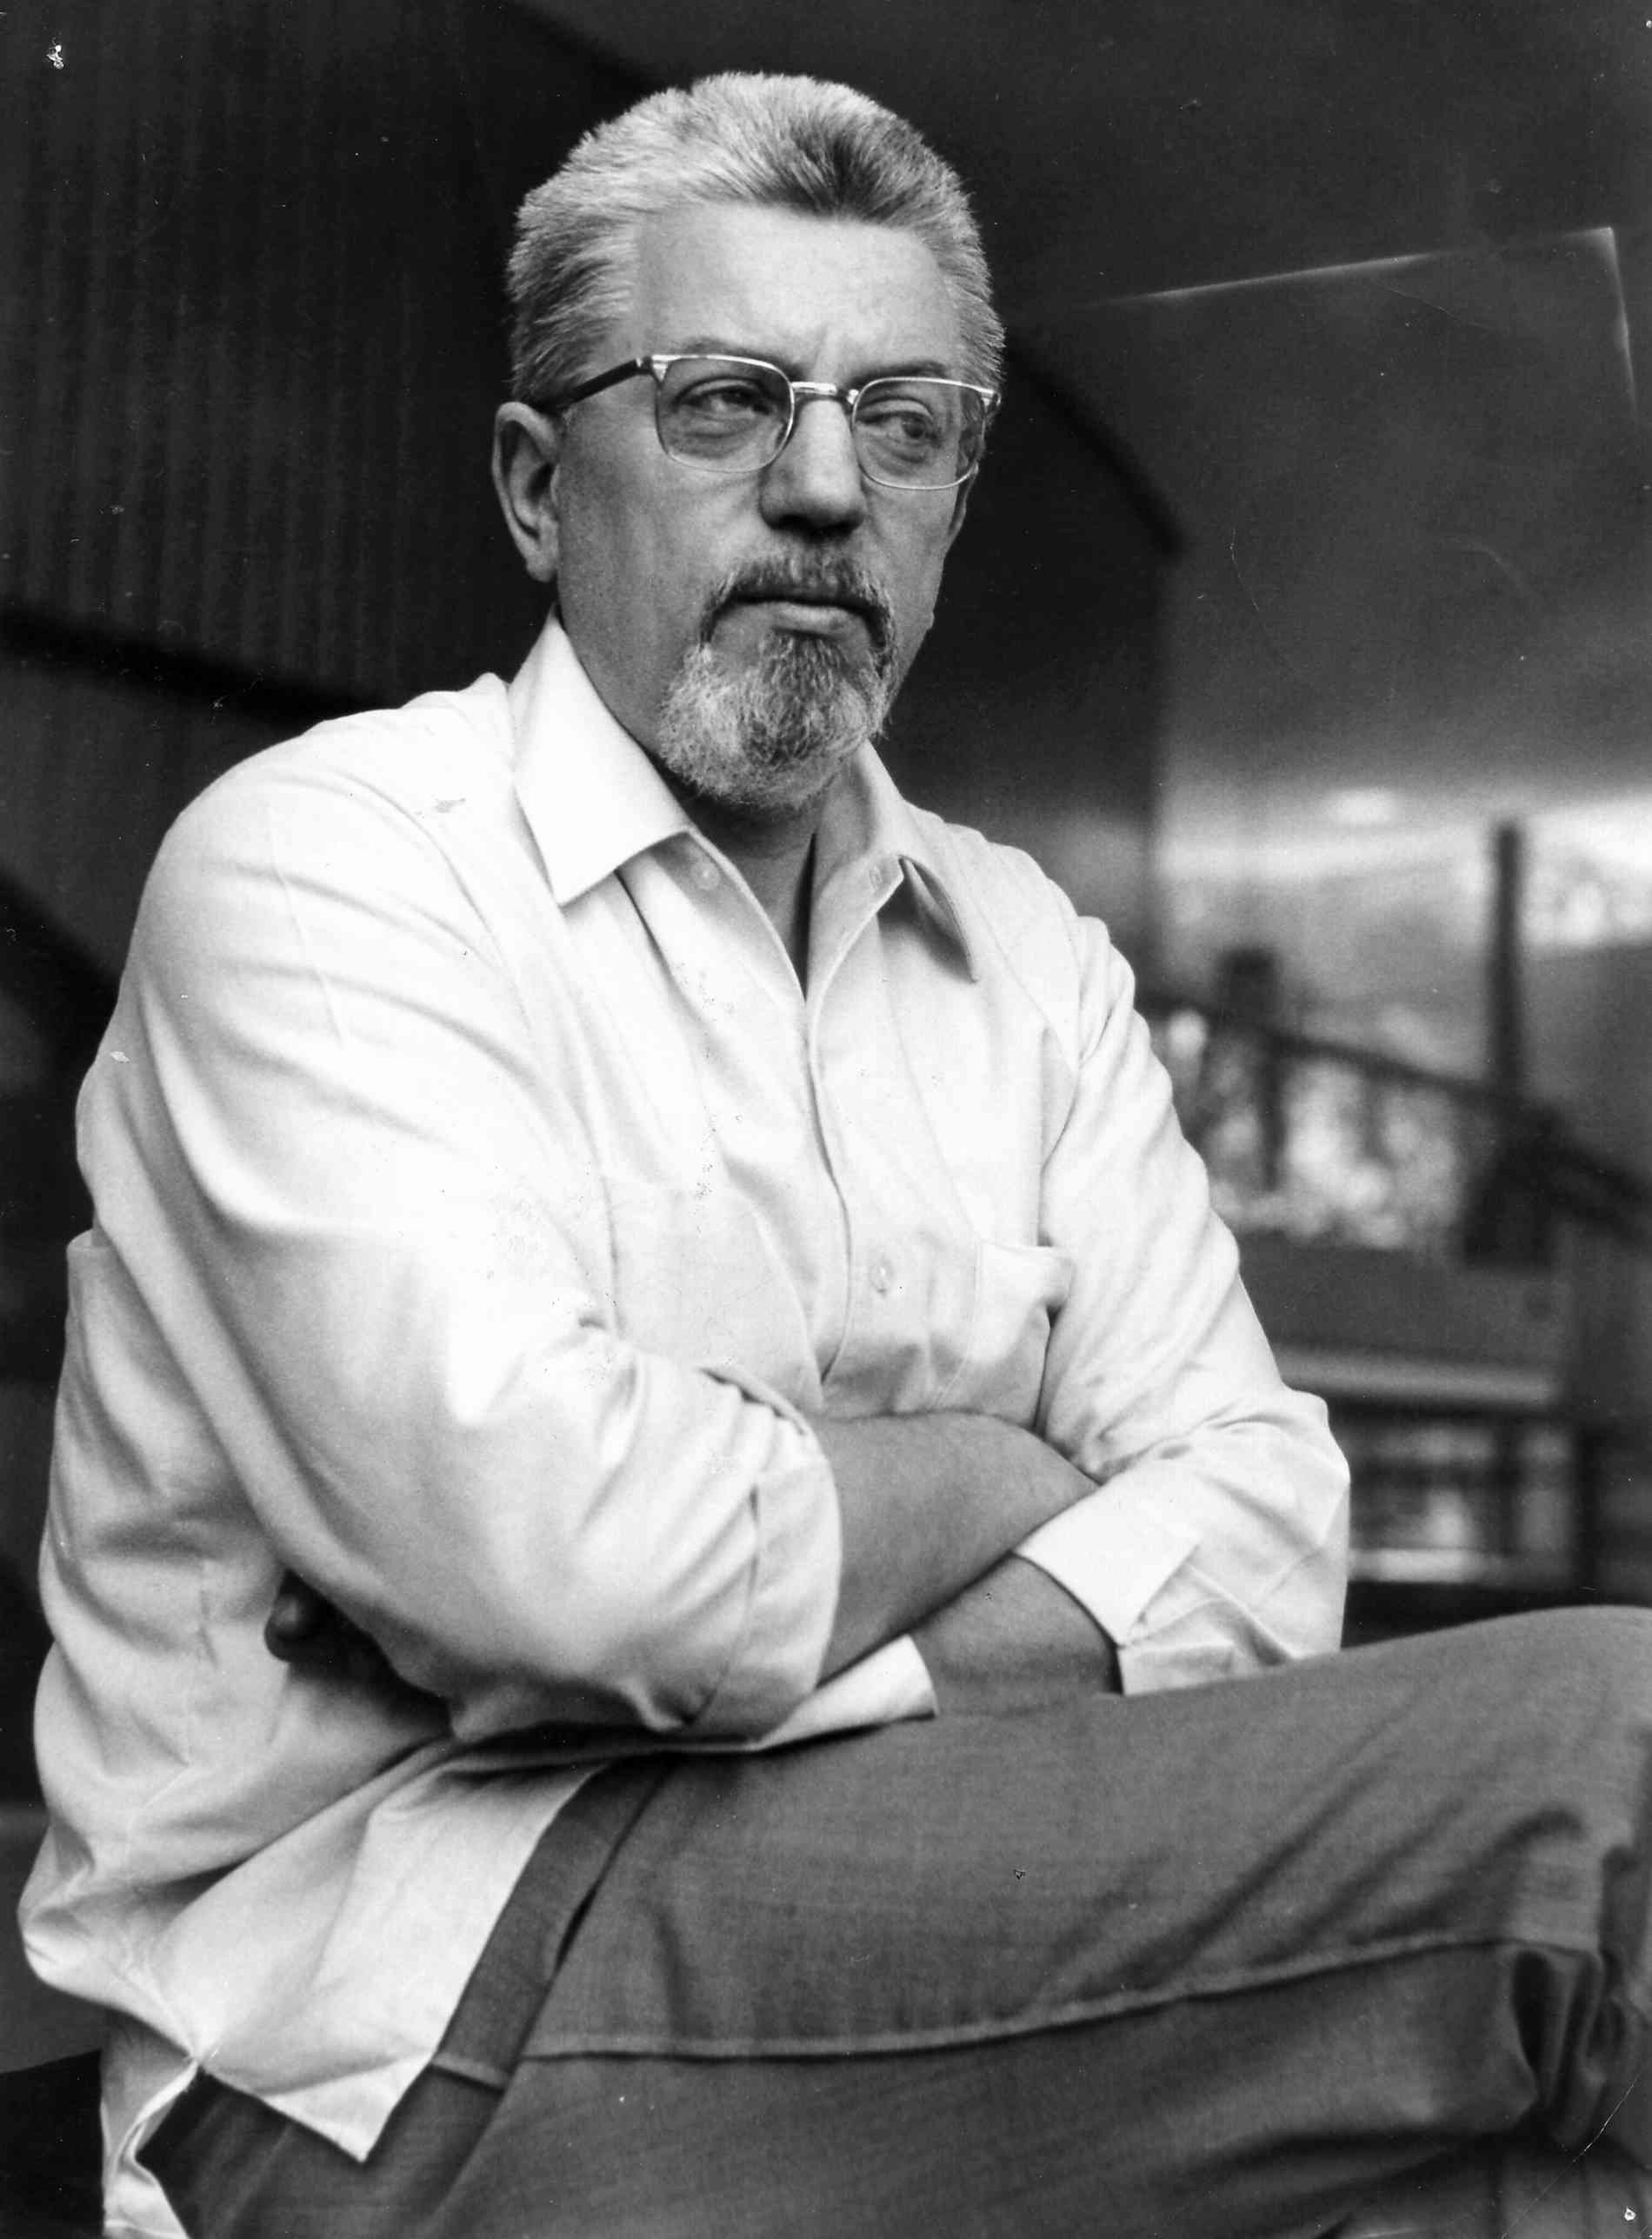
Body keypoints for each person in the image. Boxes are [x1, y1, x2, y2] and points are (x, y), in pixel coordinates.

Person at [20, 70, 1652, 2239]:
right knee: (1613, 1771)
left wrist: (792, 1637)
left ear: (952, 500)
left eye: (902, 424)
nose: (820, 489)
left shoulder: (1026, 953)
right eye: (721, 403)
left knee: (1508, 2177)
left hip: (910, 1899)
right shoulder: (331, 870)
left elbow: (1264, 1526)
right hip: (382, 2025)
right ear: (536, 487)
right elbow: (566, 1557)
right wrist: (1004, 1474)